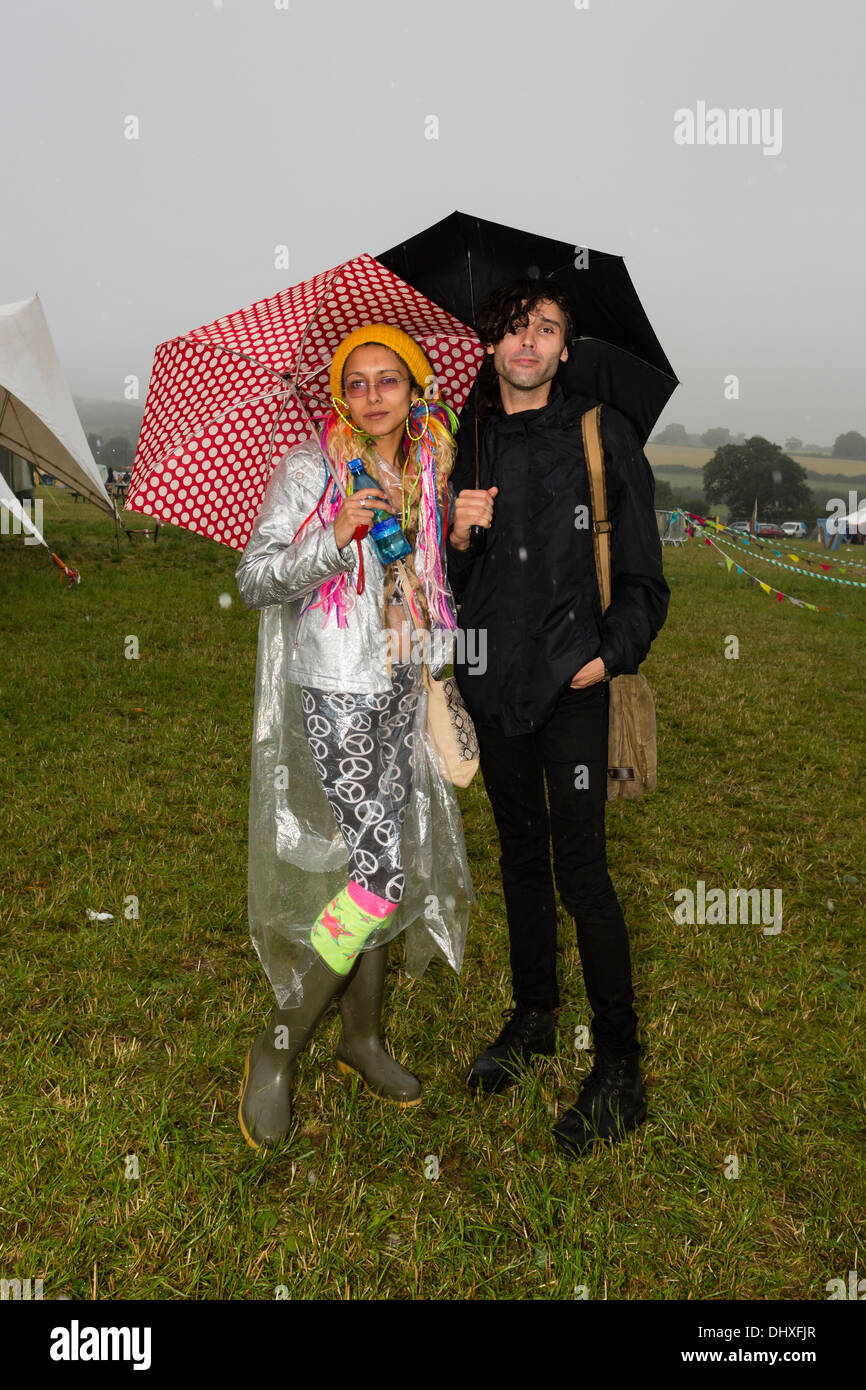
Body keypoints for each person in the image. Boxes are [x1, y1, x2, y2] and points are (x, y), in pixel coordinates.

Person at [234, 323, 473, 1150]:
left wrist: (431, 636)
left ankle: (362, 1039)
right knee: (377, 876)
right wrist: (333, 540)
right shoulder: (310, 469)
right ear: (342, 394)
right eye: (358, 382)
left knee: (374, 860)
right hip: (336, 688)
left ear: (416, 390)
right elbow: (255, 578)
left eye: (390, 380)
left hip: (403, 689)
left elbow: (432, 589)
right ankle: (279, 1046)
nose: (373, 395)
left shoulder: (426, 470)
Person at [446, 279, 670, 1157]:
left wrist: (603, 658)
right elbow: (445, 590)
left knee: (585, 876)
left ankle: (621, 1071)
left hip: (573, 690)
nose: (528, 342)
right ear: (493, 343)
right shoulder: (465, 444)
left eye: (546, 329)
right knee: (519, 859)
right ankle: (534, 1017)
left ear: (566, 348)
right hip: (491, 687)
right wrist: (460, 538)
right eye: (513, 328)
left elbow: (647, 582)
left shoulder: (602, 433)